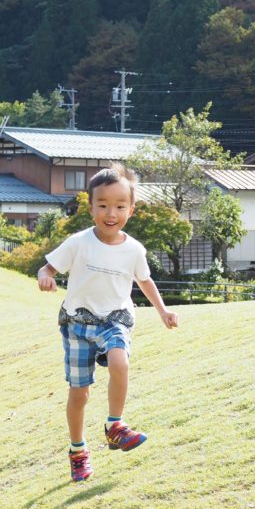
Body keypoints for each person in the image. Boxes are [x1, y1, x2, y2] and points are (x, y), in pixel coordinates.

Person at [37, 163, 179, 482]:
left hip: (115, 319)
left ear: (131, 209)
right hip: (77, 324)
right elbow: (47, 269)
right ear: (90, 208)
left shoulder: (134, 250)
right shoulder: (79, 243)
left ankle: (115, 426)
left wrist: (163, 311)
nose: (110, 213)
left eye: (119, 206)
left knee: (120, 361)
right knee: (80, 393)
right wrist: (44, 278)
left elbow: (145, 282)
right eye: (102, 205)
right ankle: (78, 452)